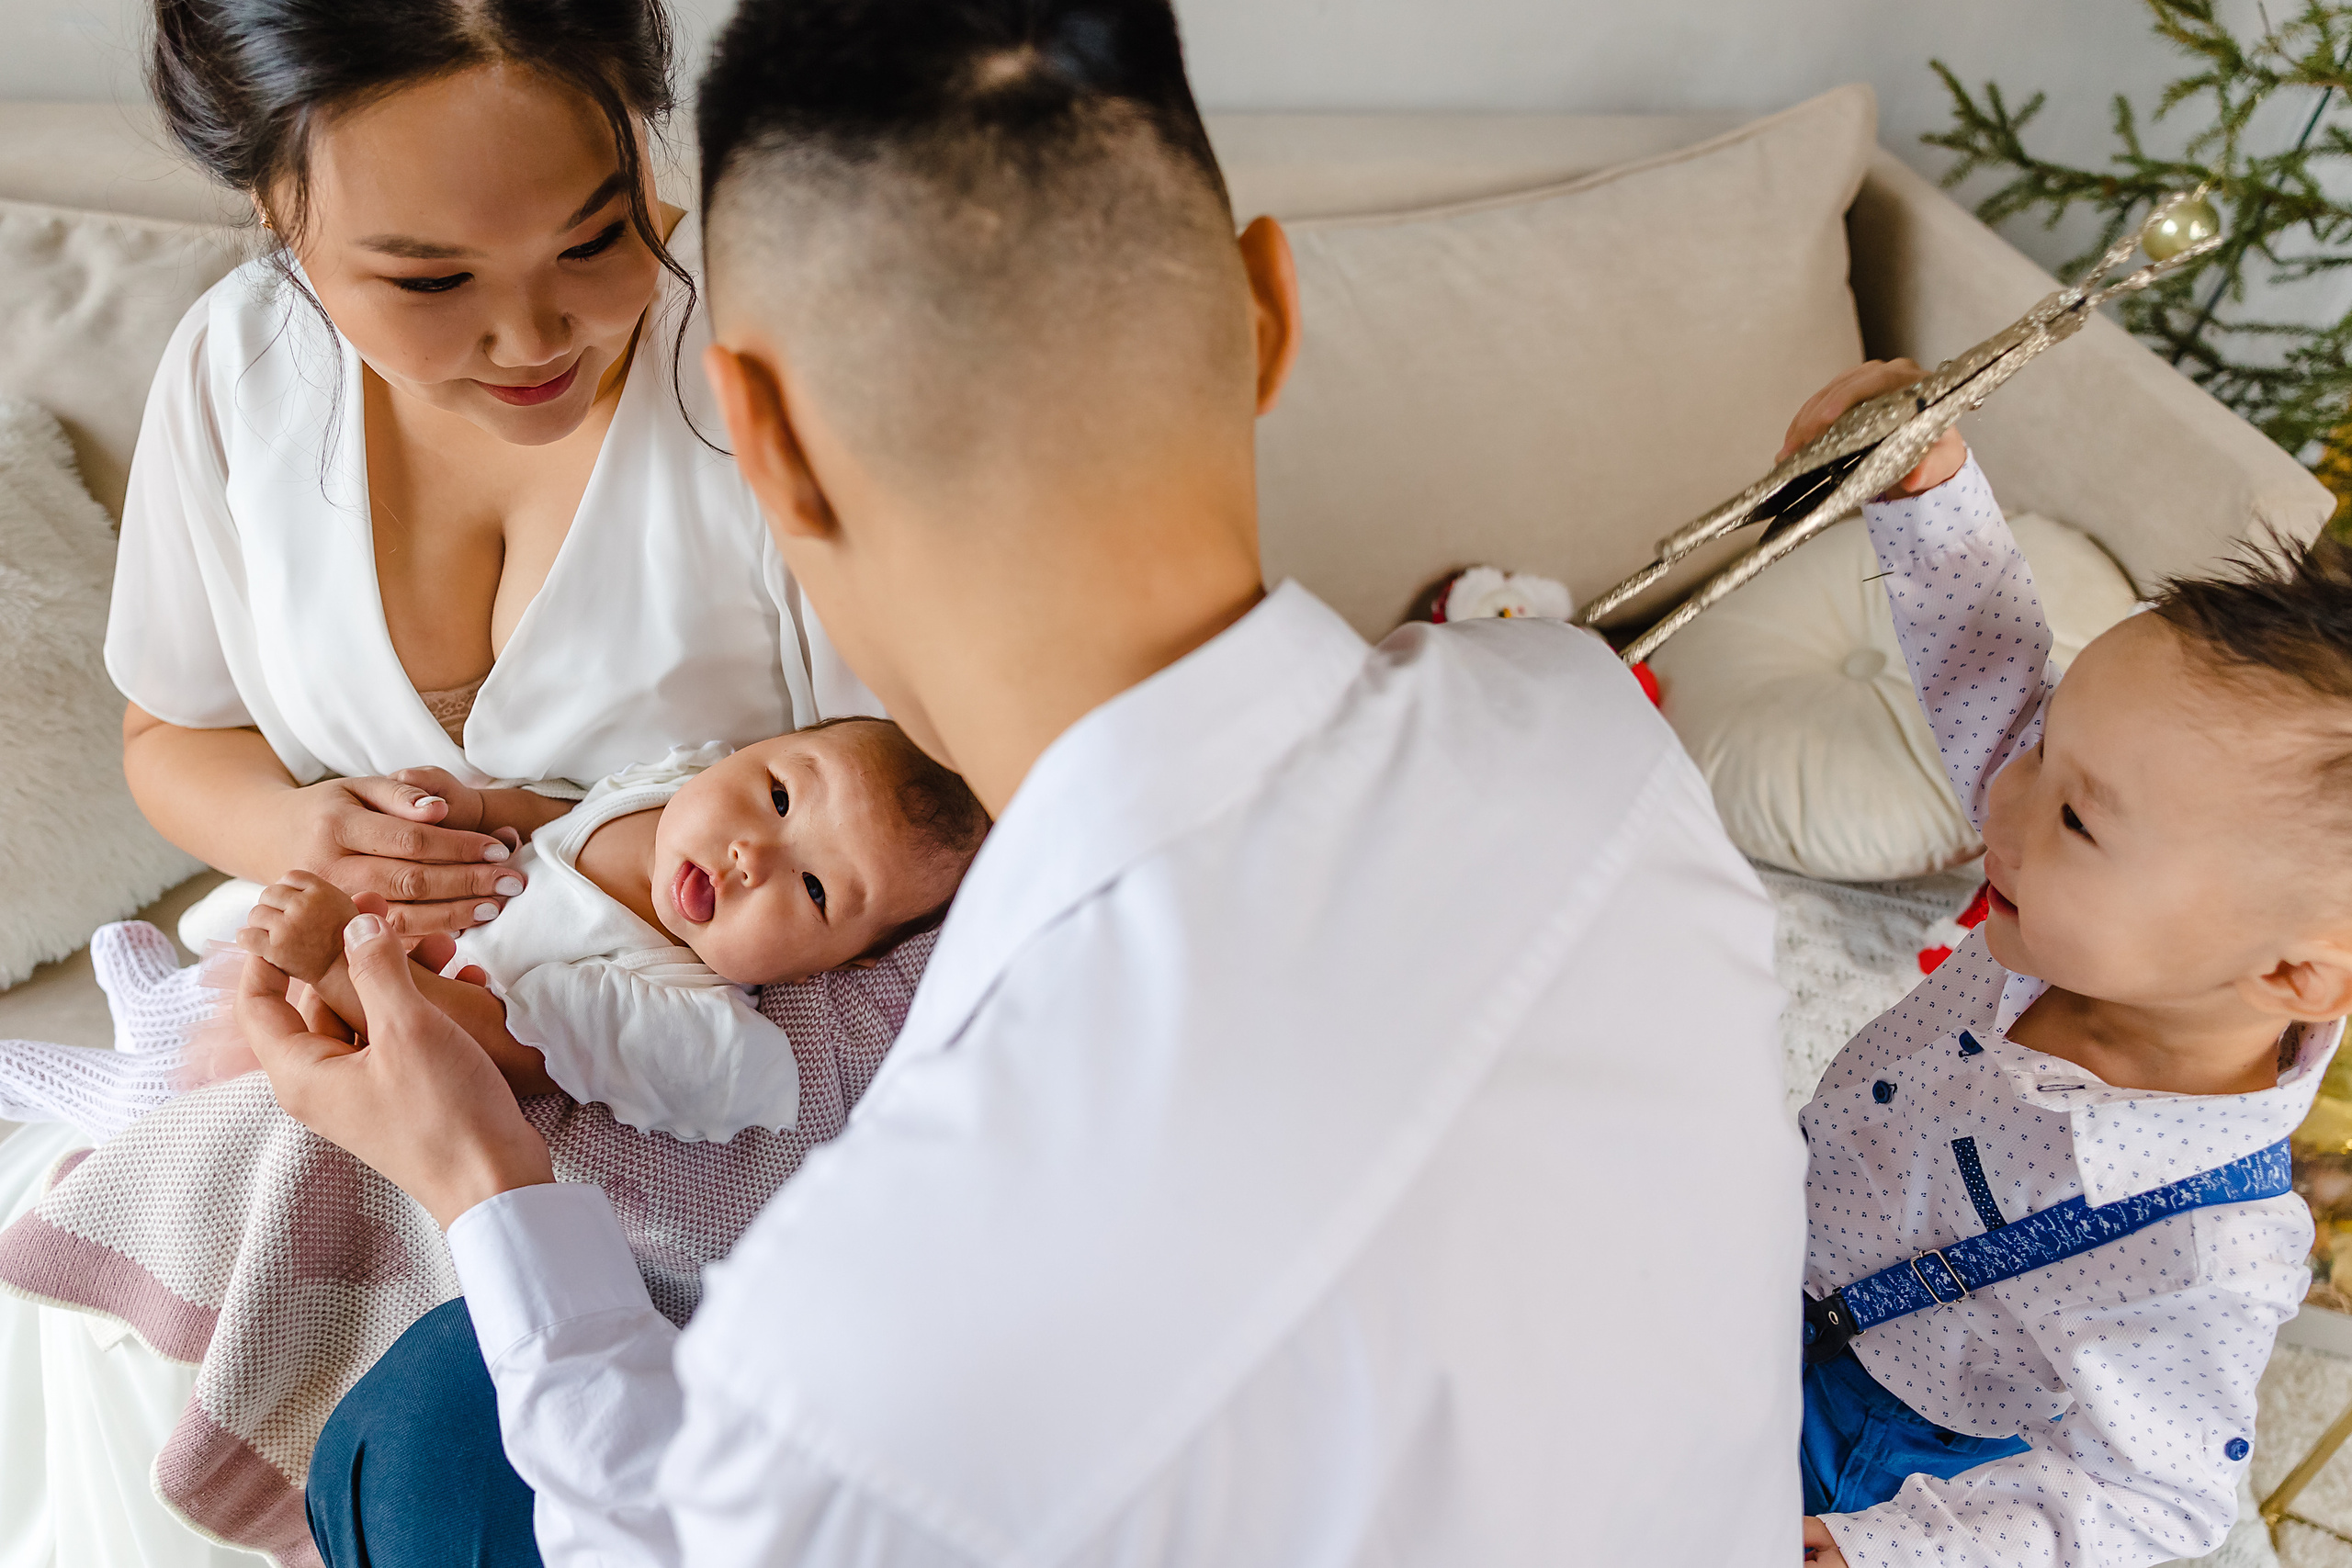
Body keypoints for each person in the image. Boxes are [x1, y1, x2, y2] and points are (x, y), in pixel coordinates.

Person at [243, 2, 1803, 1563]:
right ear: (1268, 307)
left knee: (425, 1449)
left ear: (765, 438)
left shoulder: (862, 1331)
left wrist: (480, 1169)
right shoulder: (1588, 727)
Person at [113, 0, 876, 952]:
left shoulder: (802, 355)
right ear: (272, 206)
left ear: (641, 125)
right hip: (329, 1023)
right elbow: (175, 734)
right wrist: (294, 833)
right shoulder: (236, 361)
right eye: (432, 282)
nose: (534, 342)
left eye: (594, 238)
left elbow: (940, 816)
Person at [1779, 364, 2349, 1568]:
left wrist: (1891, 1547)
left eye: (2079, 816)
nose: (2004, 792)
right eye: (2044, 748)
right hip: (1781, 1235)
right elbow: (1993, 670)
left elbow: (2158, 1497)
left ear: (2294, 974)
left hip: (1888, 1451)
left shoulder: (2211, 1251)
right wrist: (1923, 487)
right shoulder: (2079, 916)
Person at [234, 719, 988, 1141]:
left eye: (816, 888)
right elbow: (557, 819)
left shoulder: (675, 1012)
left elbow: (491, 1047)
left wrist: (341, 965)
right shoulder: (677, 785)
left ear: (828, 966)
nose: (753, 854)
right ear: (751, 751)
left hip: (388, 1016)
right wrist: (473, 812)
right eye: (781, 794)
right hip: (393, 922)